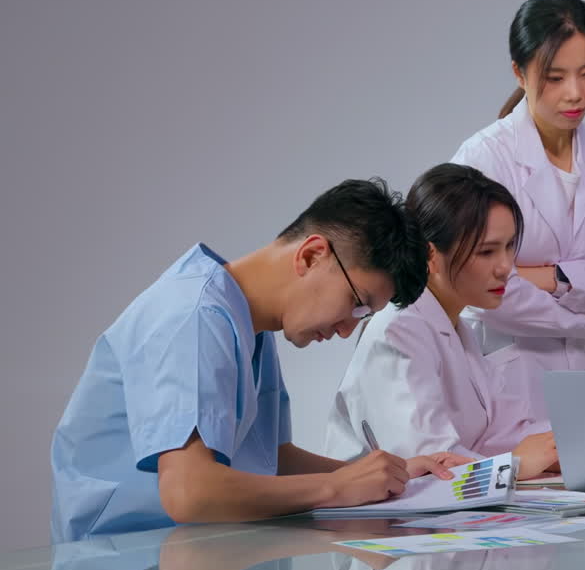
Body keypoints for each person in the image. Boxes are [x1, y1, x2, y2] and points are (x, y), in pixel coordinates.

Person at [50, 178, 469, 543]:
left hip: (195, 553)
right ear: (311, 256)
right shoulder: (193, 316)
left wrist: (390, 477)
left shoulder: (249, 325)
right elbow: (189, 493)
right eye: (356, 305)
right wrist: (337, 488)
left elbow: (271, 458)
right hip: (120, 563)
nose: (346, 330)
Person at [450, 0, 585, 386]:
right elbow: (474, 287)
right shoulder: (483, 159)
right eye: (554, 77)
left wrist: (547, 276)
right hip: (505, 375)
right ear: (519, 73)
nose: (575, 93)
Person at [325, 164, 558, 480]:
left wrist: (562, 447)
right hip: (381, 519)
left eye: (509, 247)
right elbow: (430, 465)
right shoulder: (398, 331)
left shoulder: (456, 327)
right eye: (487, 251)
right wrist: (513, 466)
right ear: (430, 255)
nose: (506, 267)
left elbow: (504, 428)